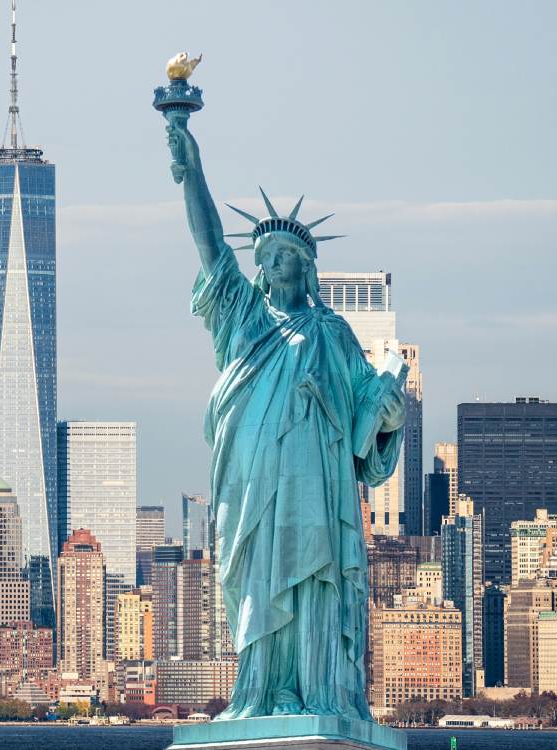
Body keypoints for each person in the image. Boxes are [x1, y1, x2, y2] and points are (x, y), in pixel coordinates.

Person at [165, 111, 406, 720]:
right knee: (257, 581)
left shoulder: (334, 334)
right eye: (264, 257)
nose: (268, 266)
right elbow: (210, 244)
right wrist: (190, 166)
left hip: (317, 488)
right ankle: (263, 692)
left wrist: (390, 415)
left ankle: (317, 692)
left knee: (312, 581)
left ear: (305, 267)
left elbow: (366, 439)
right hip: (254, 480)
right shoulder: (242, 319)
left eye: (281, 257)